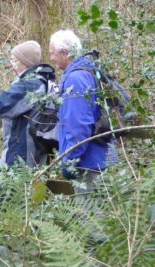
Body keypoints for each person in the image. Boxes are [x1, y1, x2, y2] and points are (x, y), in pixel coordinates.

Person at [49, 29, 109, 193]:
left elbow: (78, 126)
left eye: (52, 53)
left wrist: (70, 161)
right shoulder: (89, 70)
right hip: (100, 156)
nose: (51, 58)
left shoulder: (75, 79)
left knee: (90, 215)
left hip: (88, 163)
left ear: (64, 53)